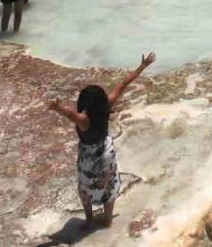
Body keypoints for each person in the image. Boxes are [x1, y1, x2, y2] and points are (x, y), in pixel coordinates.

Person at [46, 52, 156, 229]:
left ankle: (89, 219)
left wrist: (56, 107)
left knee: (86, 187)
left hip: (90, 158)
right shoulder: (106, 106)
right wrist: (142, 66)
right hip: (107, 151)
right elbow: (123, 84)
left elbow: (69, 114)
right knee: (109, 185)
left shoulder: (84, 120)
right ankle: (108, 219)